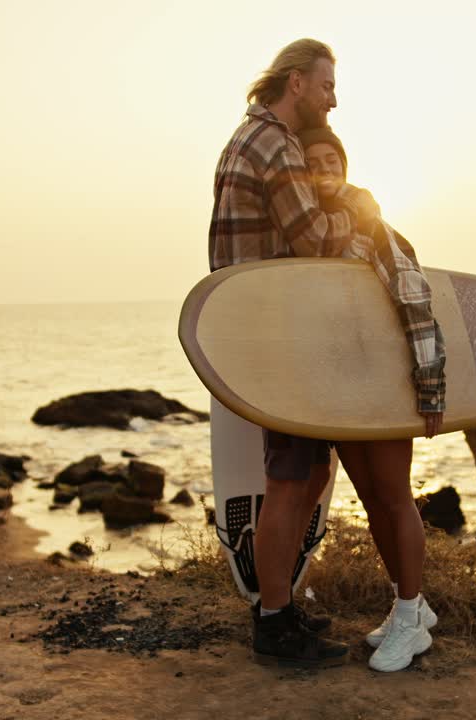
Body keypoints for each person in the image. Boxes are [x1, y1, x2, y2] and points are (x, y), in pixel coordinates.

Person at [209, 38, 380, 669]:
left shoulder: (245, 137)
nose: (334, 98)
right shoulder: (275, 143)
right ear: (298, 81)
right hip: (277, 337)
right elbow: (313, 239)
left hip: (261, 332)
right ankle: (274, 625)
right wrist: (359, 217)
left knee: (305, 476)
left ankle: (277, 603)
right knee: (289, 482)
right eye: (328, 85)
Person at [297, 126, 444, 672]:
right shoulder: (311, 233)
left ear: (346, 164)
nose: (323, 168)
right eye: (310, 161)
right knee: (373, 496)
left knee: (393, 495)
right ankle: (411, 605)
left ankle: (411, 620)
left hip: (382, 383)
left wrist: (430, 385)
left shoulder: (370, 222)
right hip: (343, 387)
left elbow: (415, 299)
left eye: (331, 158)